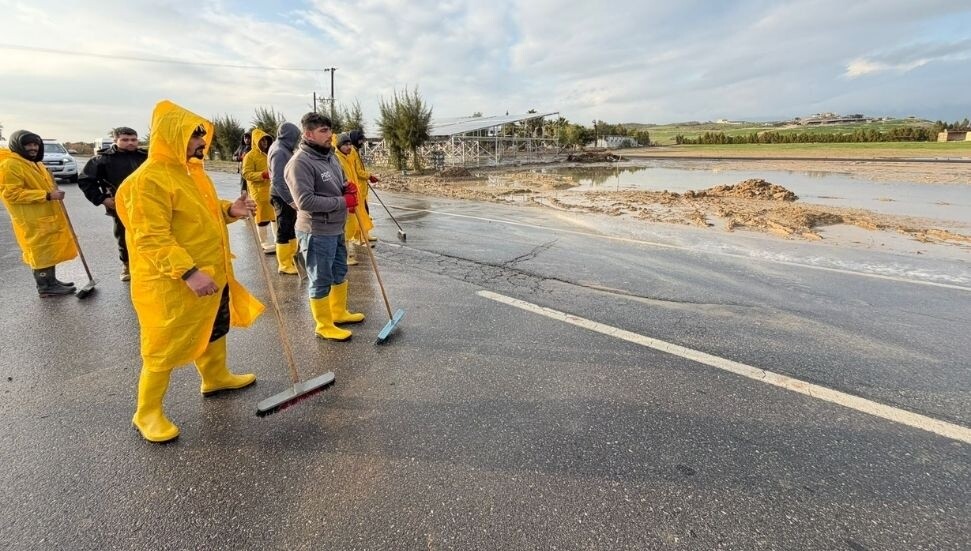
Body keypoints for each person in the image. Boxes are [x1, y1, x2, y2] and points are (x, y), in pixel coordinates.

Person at [116, 100, 264, 443]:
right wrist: (188, 272)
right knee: (163, 345)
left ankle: (215, 377)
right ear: (172, 136)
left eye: (202, 136)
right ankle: (147, 412)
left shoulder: (191, 173)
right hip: (171, 282)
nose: (202, 143)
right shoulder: (147, 181)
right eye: (195, 136)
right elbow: (151, 238)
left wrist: (231, 210)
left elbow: (202, 215)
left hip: (212, 272)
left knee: (214, 326)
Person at [284, 113, 364, 341]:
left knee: (339, 271)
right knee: (320, 278)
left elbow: (338, 183)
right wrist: (342, 201)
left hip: (336, 227)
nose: (330, 135)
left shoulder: (330, 156)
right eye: (323, 131)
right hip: (316, 231)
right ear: (308, 134)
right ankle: (323, 324)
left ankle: (338, 312)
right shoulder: (299, 163)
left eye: (330, 130)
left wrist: (347, 187)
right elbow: (305, 201)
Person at [0, 130, 78, 297]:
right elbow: (11, 194)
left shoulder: (34, 163)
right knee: (39, 251)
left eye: (35, 144)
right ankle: (45, 286)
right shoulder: (10, 165)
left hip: (43, 215)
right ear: (17, 145)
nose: (33, 148)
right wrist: (47, 195)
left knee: (48, 249)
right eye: (28, 145)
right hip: (30, 218)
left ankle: (52, 281)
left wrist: (51, 191)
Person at [77, 126, 148, 281]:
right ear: (115, 140)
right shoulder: (102, 160)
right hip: (121, 205)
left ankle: (150, 264)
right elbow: (85, 181)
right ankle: (127, 265)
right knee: (124, 236)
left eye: (133, 139)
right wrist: (102, 199)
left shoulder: (146, 157)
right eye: (125, 140)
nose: (130, 143)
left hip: (148, 203)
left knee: (152, 234)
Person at [333, 132, 372, 266]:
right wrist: (346, 196)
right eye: (345, 144)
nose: (349, 147)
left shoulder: (348, 157)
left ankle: (348, 251)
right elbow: (341, 180)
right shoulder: (337, 159)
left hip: (353, 195)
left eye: (350, 144)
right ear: (339, 146)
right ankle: (344, 256)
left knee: (351, 225)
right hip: (345, 198)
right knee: (345, 228)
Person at [267, 122, 301, 274]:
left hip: (287, 194)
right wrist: (290, 200)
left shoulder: (283, 148)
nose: (297, 140)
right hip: (281, 196)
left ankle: (292, 256)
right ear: (289, 136)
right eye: (296, 137)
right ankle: (284, 264)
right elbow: (278, 180)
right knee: (284, 228)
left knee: (290, 227)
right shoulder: (279, 151)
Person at [241, 129, 276, 253]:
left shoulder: (270, 153)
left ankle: (278, 240)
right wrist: (262, 175)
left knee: (274, 216)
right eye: (262, 140)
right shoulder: (250, 156)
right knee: (261, 218)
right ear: (256, 141)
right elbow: (246, 173)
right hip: (259, 192)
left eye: (266, 140)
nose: (265, 142)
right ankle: (263, 243)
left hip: (272, 190)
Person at [347, 129, 380, 243]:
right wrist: (369, 176)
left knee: (365, 212)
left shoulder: (356, 150)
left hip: (362, 187)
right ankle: (360, 237)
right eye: (360, 140)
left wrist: (367, 177)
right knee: (360, 213)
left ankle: (365, 234)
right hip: (358, 188)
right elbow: (357, 171)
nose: (362, 142)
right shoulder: (352, 152)